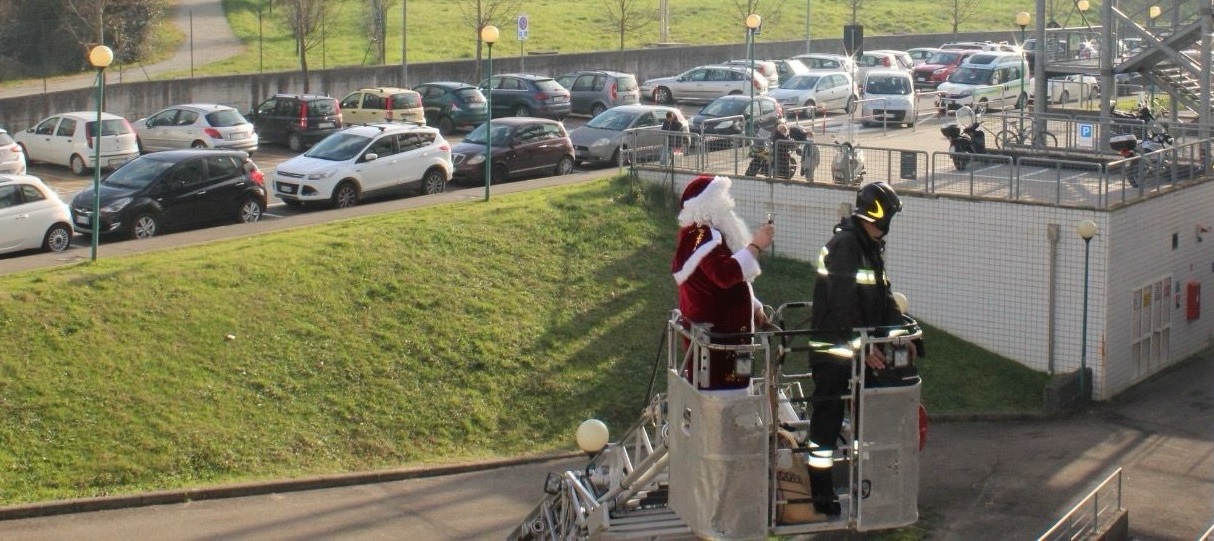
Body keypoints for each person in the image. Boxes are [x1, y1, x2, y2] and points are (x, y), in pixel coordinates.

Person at [806, 181, 919, 515]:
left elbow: (883, 299)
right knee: (826, 423)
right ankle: (821, 497)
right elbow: (842, 303)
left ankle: (867, 491)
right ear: (878, 214)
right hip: (834, 354)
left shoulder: (868, 246)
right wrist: (860, 346)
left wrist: (902, 336)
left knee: (868, 422)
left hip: (859, 353)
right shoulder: (846, 245)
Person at [672, 175, 775, 390]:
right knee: (724, 401)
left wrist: (754, 306)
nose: (728, 204)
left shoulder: (702, 235)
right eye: (722, 199)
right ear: (709, 205)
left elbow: (723, 282)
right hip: (717, 345)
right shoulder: (703, 236)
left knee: (739, 385)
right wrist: (755, 246)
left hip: (731, 340)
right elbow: (724, 275)